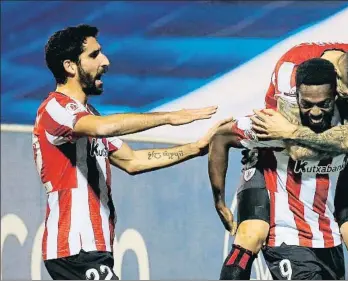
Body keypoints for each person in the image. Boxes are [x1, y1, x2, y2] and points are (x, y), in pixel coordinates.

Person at [32, 24, 230, 280]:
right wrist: (168, 117)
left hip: (94, 248)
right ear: (70, 66)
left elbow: (133, 160)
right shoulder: (55, 109)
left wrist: (195, 148)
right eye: (94, 55)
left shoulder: (89, 116)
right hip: (76, 247)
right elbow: (105, 128)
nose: (105, 61)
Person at [213, 42, 348, 280]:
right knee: (251, 233)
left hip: (325, 153)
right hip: (274, 151)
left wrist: (346, 152)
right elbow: (299, 149)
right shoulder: (290, 75)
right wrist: (218, 199)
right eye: (346, 93)